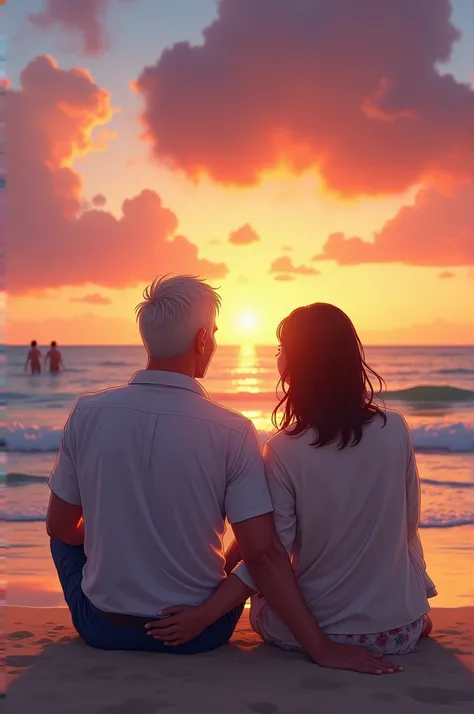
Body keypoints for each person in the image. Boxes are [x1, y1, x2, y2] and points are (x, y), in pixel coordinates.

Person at [47, 277, 398, 674]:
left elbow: (60, 526)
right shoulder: (232, 430)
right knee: (251, 544)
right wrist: (320, 649)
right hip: (201, 634)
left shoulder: (87, 413)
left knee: (63, 538)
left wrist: (117, 539)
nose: (213, 343)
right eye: (213, 334)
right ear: (201, 340)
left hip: (104, 628)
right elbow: (263, 553)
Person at [215, 303, 435, 655]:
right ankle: (407, 615)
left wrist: (210, 602)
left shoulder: (283, 450)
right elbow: (408, 525)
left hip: (313, 632)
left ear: (293, 366)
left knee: (259, 573)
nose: (277, 357)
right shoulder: (395, 428)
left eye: (280, 350)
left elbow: (272, 555)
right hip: (397, 632)